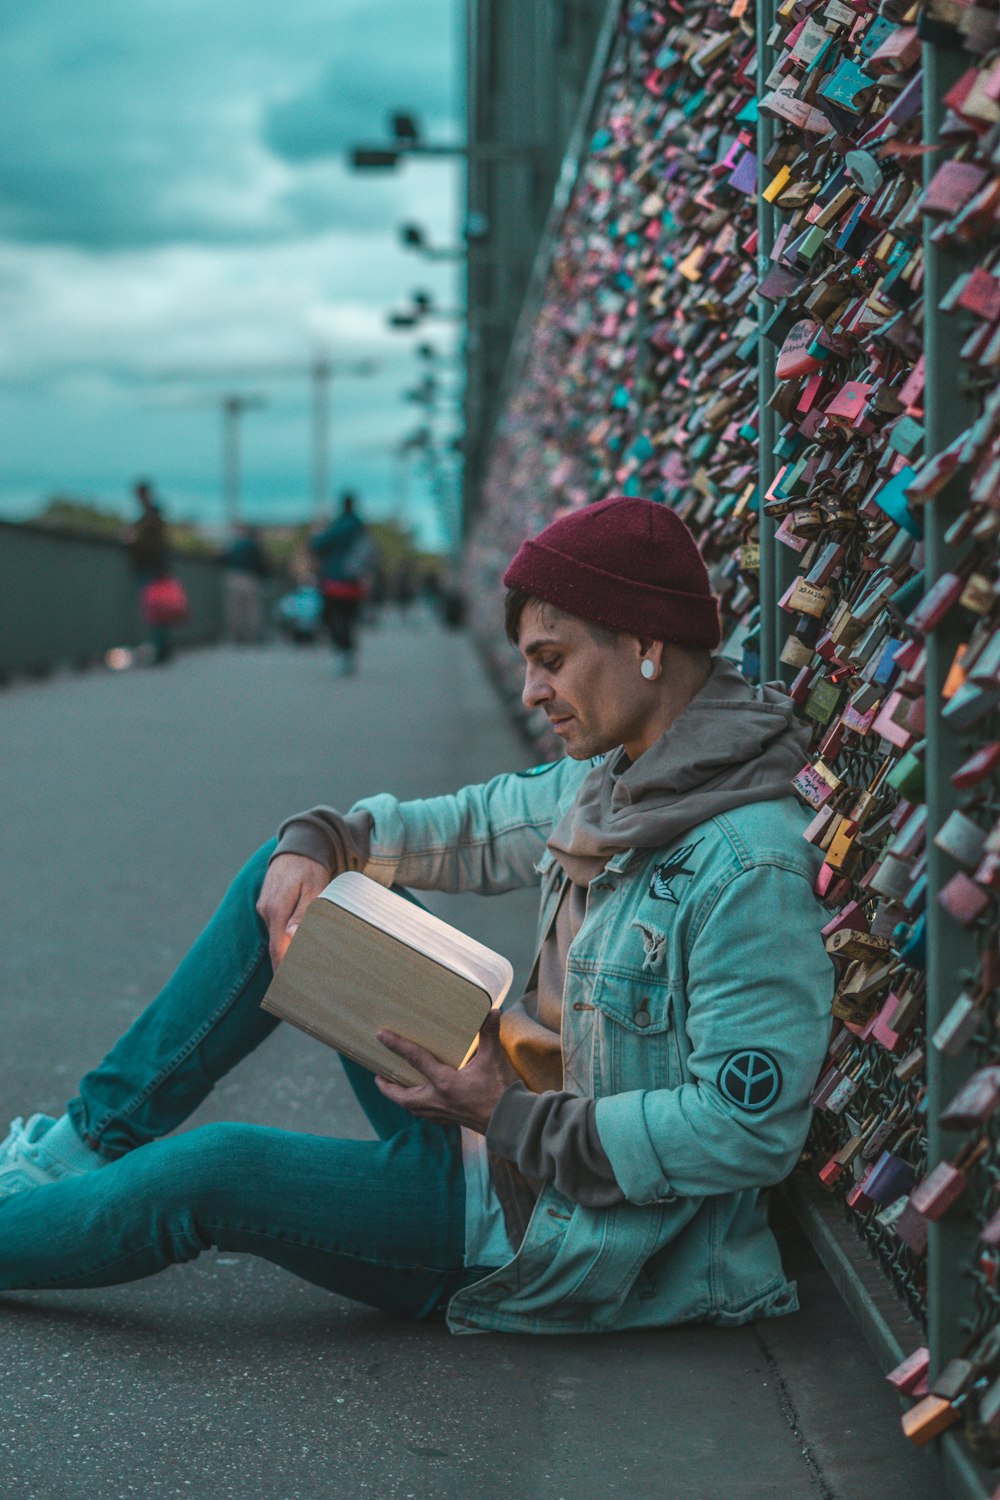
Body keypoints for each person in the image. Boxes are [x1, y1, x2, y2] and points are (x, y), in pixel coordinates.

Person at [0, 495, 833, 1335]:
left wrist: (507, 1117)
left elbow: (745, 1131)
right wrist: (321, 839)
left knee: (211, 1172)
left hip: (542, 1220)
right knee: (300, 881)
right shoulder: (621, 777)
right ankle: (80, 1146)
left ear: (646, 643)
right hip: (491, 1112)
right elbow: (470, 827)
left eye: (551, 658)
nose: (533, 689)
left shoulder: (748, 860)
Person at [310, 492, 376, 675]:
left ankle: (342, 652)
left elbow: (317, 545)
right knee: (349, 619)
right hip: (355, 581)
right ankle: (348, 653)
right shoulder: (360, 527)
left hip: (335, 581)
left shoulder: (339, 526)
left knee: (332, 618)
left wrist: (317, 533)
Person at [125, 479, 173, 665]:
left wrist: (133, 539)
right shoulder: (153, 515)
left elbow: (148, 543)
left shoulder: (150, 516)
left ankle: (160, 649)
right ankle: (163, 648)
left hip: (151, 568)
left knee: (155, 610)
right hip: (157, 568)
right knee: (159, 610)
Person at [223, 524, 271, 645]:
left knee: (235, 609)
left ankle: (237, 636)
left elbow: (223, 559)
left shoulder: (233, 545)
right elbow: (262, 564)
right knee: (252, 609)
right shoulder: (254, 546)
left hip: (234, 578)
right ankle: (252, 636)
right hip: (251, 579)